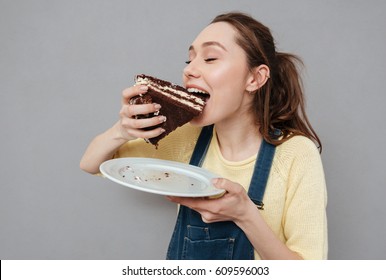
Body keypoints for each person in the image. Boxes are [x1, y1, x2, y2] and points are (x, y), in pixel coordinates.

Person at [80, 12, 327, 260]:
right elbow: (91, 163)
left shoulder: (296, 154)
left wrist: (245, 215)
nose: (189, 71)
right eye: (189, 60)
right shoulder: (188, 139)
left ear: (255, 78)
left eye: (210, 58)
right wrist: (121, 131)